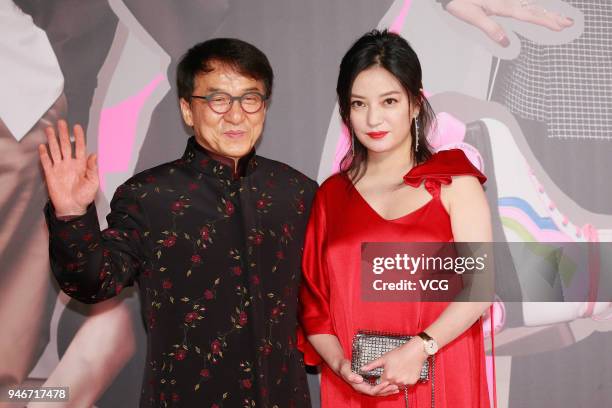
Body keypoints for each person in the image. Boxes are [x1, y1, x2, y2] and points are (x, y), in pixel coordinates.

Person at [40, 38, 316, 407]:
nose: (236, 116)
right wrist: (72, 216)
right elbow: (95, 281)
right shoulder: (149, 196)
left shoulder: (297, 192)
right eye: (218, 100)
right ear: (187, 110)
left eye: (250, 99)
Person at [299, 30, 492, 407]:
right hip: (356, 384)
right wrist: (340, 365)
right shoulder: (330, 196)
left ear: (415, 104)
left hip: (440, 371)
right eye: (358, 103)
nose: (374, 118)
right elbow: (314, 308)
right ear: (345, 110)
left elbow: (480, 287)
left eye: (389, 100)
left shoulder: (453, 182)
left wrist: (421, 348)